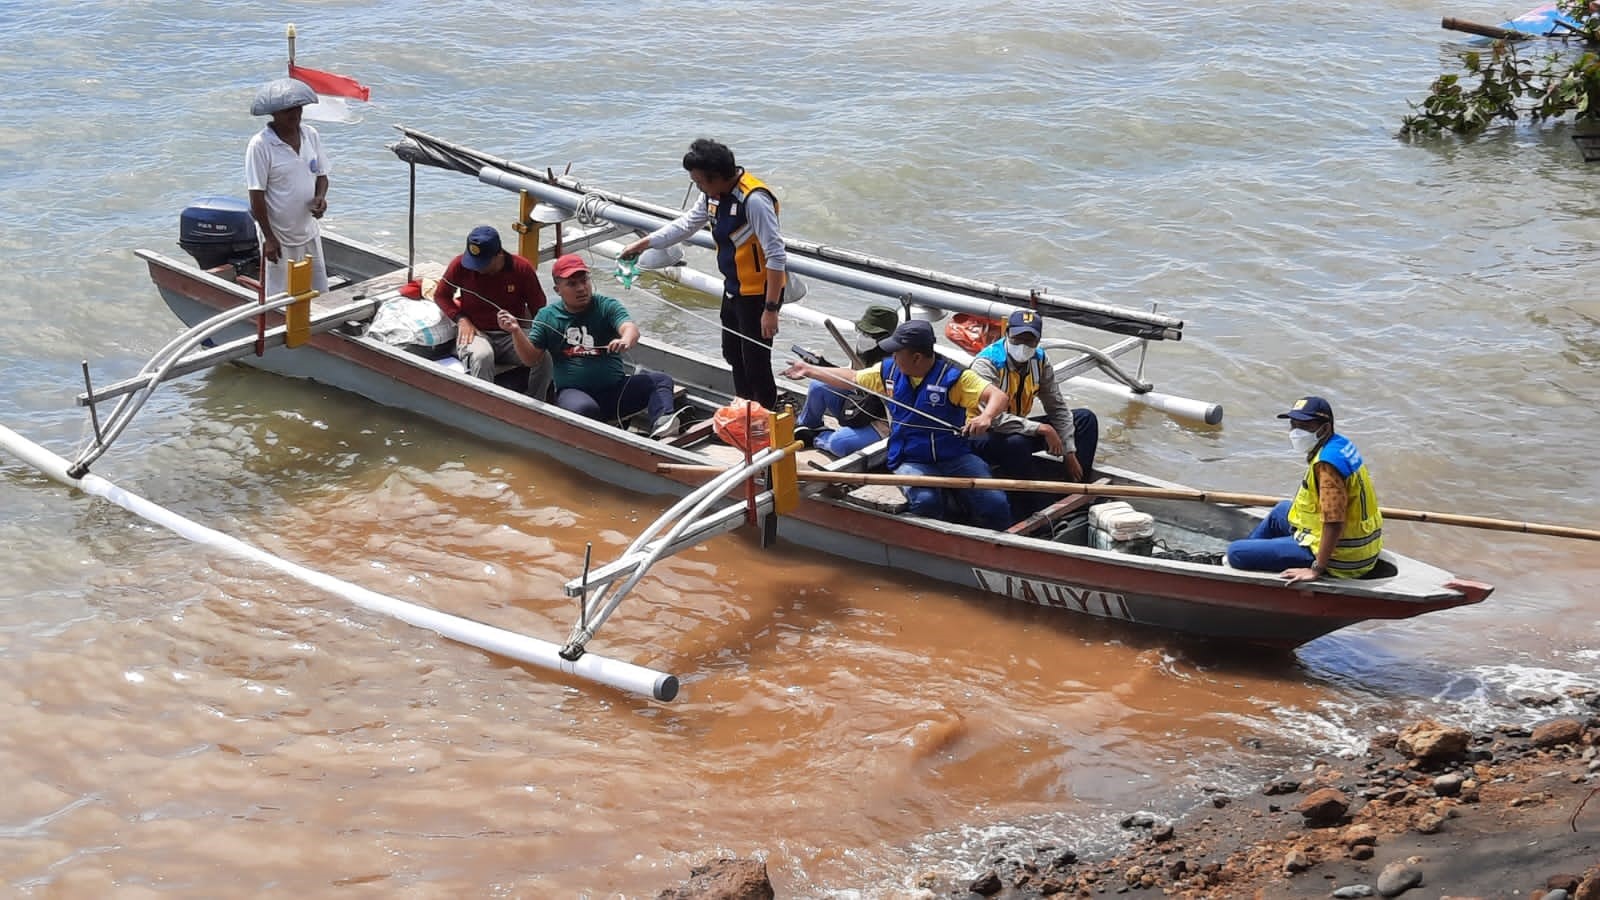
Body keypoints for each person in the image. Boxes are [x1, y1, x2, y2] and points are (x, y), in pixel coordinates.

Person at [783, 319, 1011, 529]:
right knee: (926, 502)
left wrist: (986, 417)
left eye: (897, 352)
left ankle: (994, 541)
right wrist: (810, 370)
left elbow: (998, 397)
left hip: (955, 456)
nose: (892, 356)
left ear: (917, 357)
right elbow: (852, 377)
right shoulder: (889, 370)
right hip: (910, 457)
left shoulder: (956, 378)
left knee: (995, 502)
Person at [619, 139, 787, 409]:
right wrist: (644, 243)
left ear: (718, 177)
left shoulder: (754, 200)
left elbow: (776, 255)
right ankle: (744, 408)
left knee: (756, 362)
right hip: (733, 287)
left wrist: (770, 309)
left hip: (757, 295)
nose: (699, 188)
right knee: (732, 353)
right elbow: (686, 225)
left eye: (700, 183)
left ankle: (765, 415)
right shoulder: (712, 195)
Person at [500, 254, 679, 438]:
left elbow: (630, 328)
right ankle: (610, 435)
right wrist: (516, 331)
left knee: (660, 380)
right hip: (574, 393)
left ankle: (663, 425)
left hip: (615, 389)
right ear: (558, 289)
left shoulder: (605, 305)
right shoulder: (547, 316)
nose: (581, 288)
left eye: (584, 280)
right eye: (572, 284)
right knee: (584, 409)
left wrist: (625, 340)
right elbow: (530, 359)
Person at [1225, 396, 1384, 583]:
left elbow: (1334, 522)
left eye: (1305, 426)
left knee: (1235, 552)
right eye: (1294, 425)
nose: (1296, 432)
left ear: (1324, 428)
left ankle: (1241, 562)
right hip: (1360, 548)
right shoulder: (1340, 445)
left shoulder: (1327, 466)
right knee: (1281, 511)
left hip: (1342, 559)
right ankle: (1252, 554)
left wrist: (1316, 569)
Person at [969, 309, 1100, 518]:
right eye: (1018, 338)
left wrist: (1069, 450)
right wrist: (1042, 429)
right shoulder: (987, 363)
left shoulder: (1039, 360)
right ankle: (1036, 505)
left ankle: (1076, 491)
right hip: (983, 434)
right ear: (1007, 333)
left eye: (1030, 341)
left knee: (1085, 419)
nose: (1023, 346)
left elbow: (1056, 405)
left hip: (1018, 427)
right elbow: (992, 419)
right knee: (1016, 443)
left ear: (1038, 341)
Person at [433, 225, 552, 400]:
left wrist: (539, 337)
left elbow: (539, 308)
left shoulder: (522, 269)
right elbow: (441, 295)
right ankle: (485, 405)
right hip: (476, 333)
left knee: (544, 356)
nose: (476, 268)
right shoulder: (459, 265)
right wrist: (461, 319)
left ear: (499, 255)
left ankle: (536, 401)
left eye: (483, 263)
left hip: (511, 334)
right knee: (483, 356)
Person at [246, 77, 330, 298]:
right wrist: (269, 239)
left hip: (309, 230)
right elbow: (256, 196)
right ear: (274, 114)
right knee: (281, 297)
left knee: (319, 291)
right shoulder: (260, 145)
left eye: (298, 109)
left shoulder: (311, 135)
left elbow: (321, 175)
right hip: (280, 236)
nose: (295, 115)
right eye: (287, 111)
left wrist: (320, 198)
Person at [793, 305, 899, 457]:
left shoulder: (893, 364)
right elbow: (850, 376)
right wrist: (819, 366)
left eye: (870, 334)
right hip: (859, 403)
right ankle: (806, 426)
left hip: (882, 422)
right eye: (862, 332)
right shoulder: (864, 353)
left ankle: (816, 437)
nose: (863, 337)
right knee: (819, 385)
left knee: (839, 444)